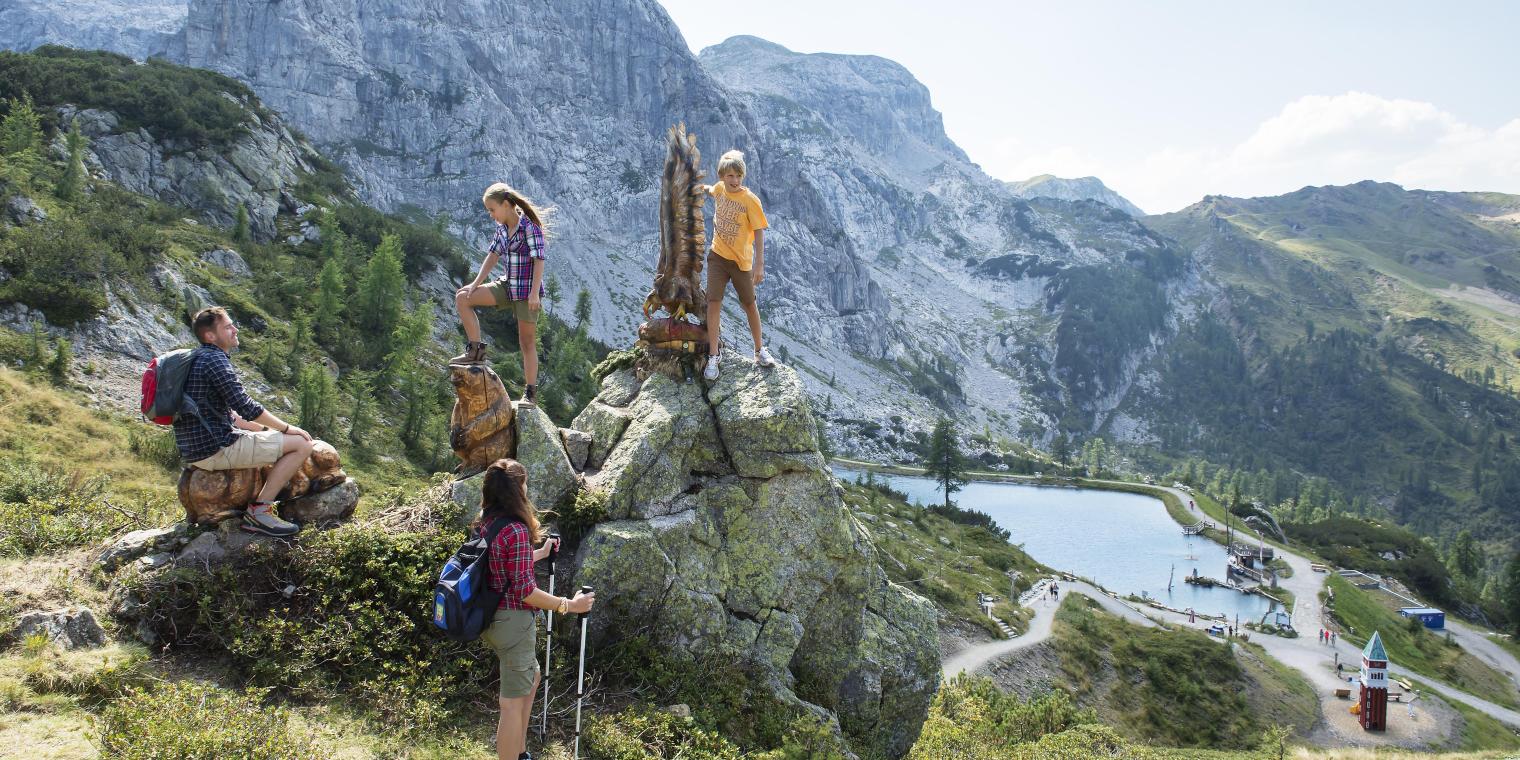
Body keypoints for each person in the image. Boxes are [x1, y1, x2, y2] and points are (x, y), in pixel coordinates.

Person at [477, 458, 594, 760]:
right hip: (514, 622)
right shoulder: (515, 528)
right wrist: (570, 605)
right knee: (511, 704)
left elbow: (502, 568)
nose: (528, 487)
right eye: (524, 482)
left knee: (533, 679)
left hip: (492, 619)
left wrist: (539, 554)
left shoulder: (488, 522)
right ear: (517, 489)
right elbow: (525, 591)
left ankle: (520, 752)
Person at [174, 307, 314, 537]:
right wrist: (289, 429)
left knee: (281, 440)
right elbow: (246, 406)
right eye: (228, 327)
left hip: (195, 448)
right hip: (216, 448)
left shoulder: (197, 359)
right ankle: (260, 513)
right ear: (210, 336)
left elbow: (233, 417)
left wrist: (267, 432)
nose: (235, 329)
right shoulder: (215, 360)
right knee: (302, 445)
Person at [453, 183, 552, 407]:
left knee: (526, 343)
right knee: (462, 297)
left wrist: (535, 294)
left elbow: (539, 261)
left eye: (492, 209)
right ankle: (475, 352)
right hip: (508, 286)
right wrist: (474, 284)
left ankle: (530, 393)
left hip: (527, 291)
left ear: (506, 205)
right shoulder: (501, 229)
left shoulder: (529, 226)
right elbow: (492, 257)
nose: (491, 215)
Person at [700, 149, 776, 380]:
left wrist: (759, 264)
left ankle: (759, 350)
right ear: (722, 175)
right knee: (713, 302)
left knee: (749, 304)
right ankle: (714, 356)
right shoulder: (720, 188)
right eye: (730, 175)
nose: (734, 181)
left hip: (741, 262)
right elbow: (711, 190)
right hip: (718, 257)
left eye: (738, 176)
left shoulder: (750, 200)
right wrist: (699, 187)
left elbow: (759, 231)